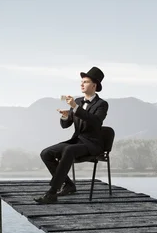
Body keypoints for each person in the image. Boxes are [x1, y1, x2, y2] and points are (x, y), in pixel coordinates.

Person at [34, 66, 109, 204]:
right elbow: (65, 125)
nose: (81, 84)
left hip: (92, 144)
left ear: (94, 85)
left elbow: (96, 122)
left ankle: (51, 193)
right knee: (46, 153)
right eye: (81, 81)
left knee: (68, 150)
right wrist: (65, 116)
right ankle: (68, 184)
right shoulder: (79, 101)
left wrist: (75, 108)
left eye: (85, 82)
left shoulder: (102, 104)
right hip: (77, 141)